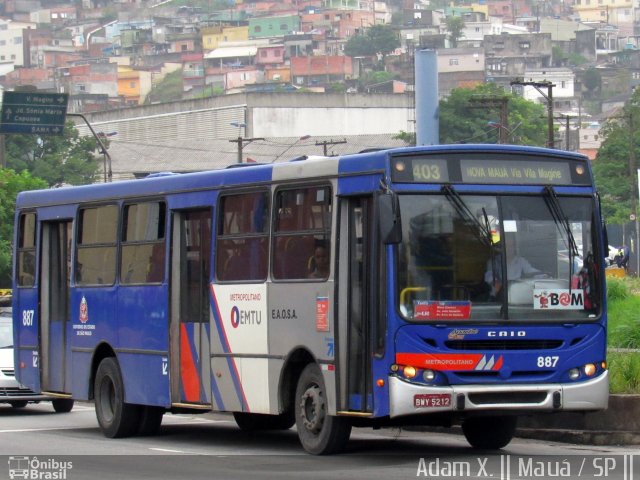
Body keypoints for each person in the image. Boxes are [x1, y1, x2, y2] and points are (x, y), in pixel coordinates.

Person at [484, 234, 542, 299]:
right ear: (501, 247)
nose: (509, 248)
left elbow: (531, 271)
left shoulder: (520, 261)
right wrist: (495, 282)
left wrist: (544, 275)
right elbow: (489, 275)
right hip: (497, 297)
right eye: (506, 246)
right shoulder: (494, 261)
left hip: (517, 296)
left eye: (511, 246)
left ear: (514, 247)